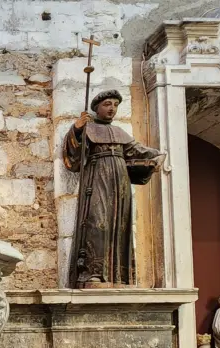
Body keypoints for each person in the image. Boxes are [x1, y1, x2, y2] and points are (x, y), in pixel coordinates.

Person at [63, 90, 164, 287]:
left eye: (115, 105)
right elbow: (74, 157)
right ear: (96, 108)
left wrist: (158, 155)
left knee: (119, 224)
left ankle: (119, 274)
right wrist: (77, 129)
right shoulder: (88, 128)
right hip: (97, 178)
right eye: (107, 104)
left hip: (119, 182)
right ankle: (92, 272)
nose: (112, 109)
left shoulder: (119, 132)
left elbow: (138, 150)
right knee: (96, 222)